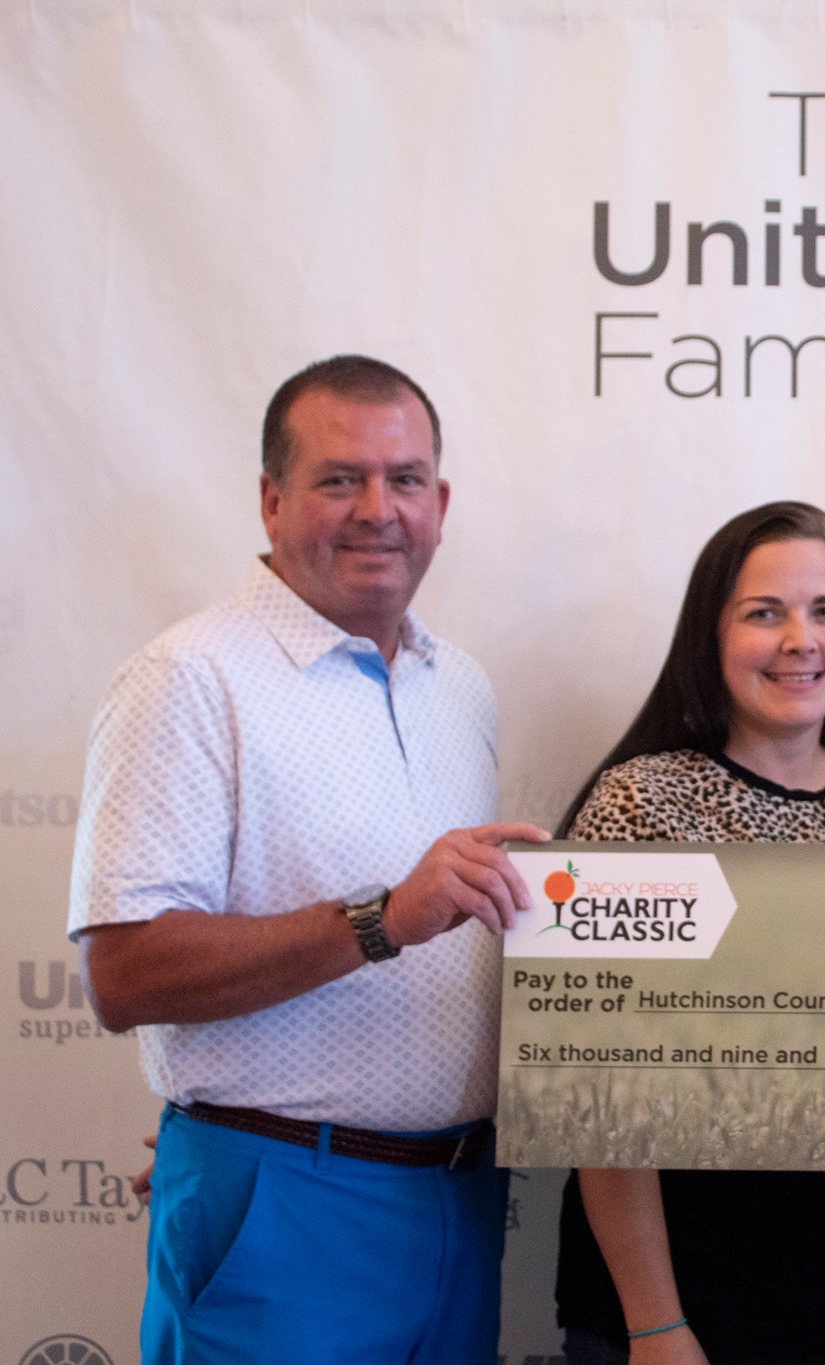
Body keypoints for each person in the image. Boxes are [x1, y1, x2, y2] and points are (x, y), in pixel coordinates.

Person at [68, 354, 550, 1365]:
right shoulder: (187, 677)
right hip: (280, 1202)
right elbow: (124, 974)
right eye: (340, 479)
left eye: (404, 479)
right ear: (271, 500)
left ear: (440, 504)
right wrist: (379, 919)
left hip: (458, 1202)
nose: (378, 510)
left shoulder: (459, 685)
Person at [552, 501, 825, 1365]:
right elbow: (597, 1092)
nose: (800, 640)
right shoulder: (640, 805)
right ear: (709, 636)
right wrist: (655, 1323)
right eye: (763, 612)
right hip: (671, 1304)